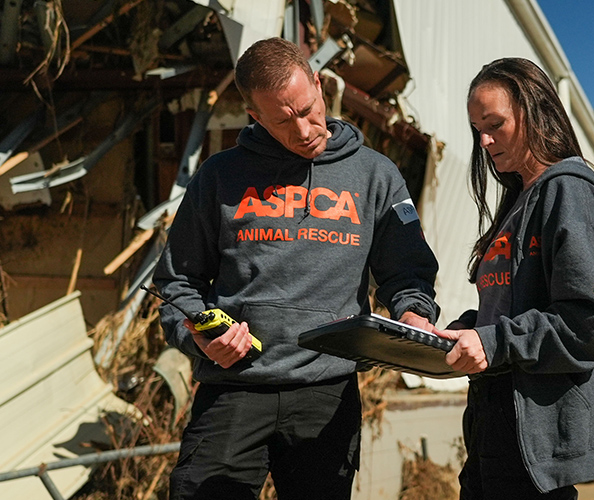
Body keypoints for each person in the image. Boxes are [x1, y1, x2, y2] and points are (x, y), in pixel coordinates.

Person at [152, 37, 439, 500]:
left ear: (320, 87)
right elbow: (176, 283)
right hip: (233, 389)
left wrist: (412, 316)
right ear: (255, 116)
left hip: (326, 392)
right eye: (284, 121)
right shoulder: (219, 176)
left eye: (308, 109)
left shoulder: (375, 175)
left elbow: (408, 273)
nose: (304, 130)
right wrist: (199, 339)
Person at [435, 58, 594, 499]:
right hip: (495, 422)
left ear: (534, 113)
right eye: (477, 128)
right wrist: (463, 331)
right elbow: (513, 309)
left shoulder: (570, 192)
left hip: (534, 430)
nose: (484, 140)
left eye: (495, 123)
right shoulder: (521, 200)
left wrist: (494, 341)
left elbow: (590, 322)